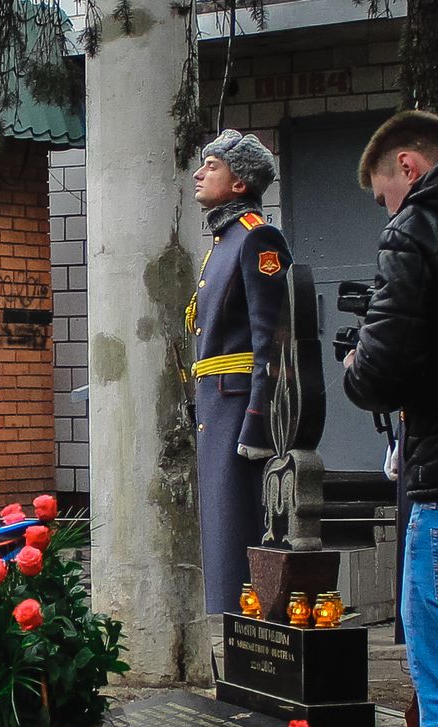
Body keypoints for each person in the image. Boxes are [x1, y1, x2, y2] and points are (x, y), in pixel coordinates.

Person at [342, 109, 438, 727]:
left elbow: (376, 369)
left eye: (383, 194)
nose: (386, 210)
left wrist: (355, 368)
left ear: (408, 166)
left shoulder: (418, 227)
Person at [186, 129, 290, 615]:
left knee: (237, 532)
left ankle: (249, 635)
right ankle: (233, 637)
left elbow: (270, 340)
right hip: (216, 403)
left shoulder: (257, 237)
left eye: (213, 166)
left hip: (238, 406)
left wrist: (257, 421)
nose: (199, 173)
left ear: (241, 183)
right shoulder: (223, 240)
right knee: (221, 535)